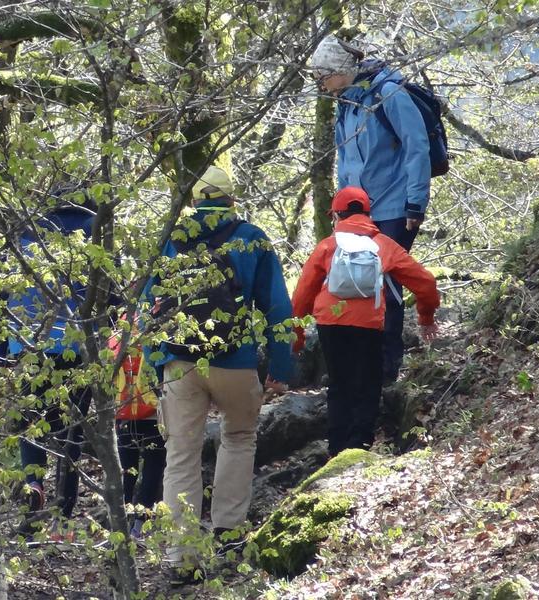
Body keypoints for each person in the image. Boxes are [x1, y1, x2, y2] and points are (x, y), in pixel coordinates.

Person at [144, 165, 292, 585]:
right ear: (231, 199)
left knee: (181, 454)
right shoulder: (251, 238)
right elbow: (277, 307)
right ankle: (228, 532)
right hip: (234, 359)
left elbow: (147, 307)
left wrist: (157, 364)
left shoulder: (170, 237)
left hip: (179, 362)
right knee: (239, 437)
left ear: (193, 201)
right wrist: (280, 367)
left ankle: (182, 556)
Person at [309, 35, 433, 383]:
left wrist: (415, 202)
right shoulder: (345, 103)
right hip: (358, 213)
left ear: (339, 70)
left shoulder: (389, 94)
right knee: (354, 282)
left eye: (322, 76)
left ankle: (386, 370)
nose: (321, 85)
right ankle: (360, 366)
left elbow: (417, 147)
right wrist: (341, 207)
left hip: (395, 206)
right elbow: (346, 159)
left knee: (388, 284)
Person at [292, 186, 439, 456]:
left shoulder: (327, 246)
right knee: (368, 383)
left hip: (330, 324)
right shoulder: (383, 244)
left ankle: (337, 450)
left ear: (337, 215)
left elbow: (302, 295)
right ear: (368, 214)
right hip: (369, 324)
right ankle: (359, 447)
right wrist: (426, 317)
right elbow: (426, 282)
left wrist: (297, 334)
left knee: (339, 384)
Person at [6, 191, 96, 540]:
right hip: (76, 345)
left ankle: (33, 486)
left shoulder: (27, 230)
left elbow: (2, 290)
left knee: (33, 424)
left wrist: (4, 348)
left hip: (28, 343)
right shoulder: (93, 228)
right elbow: (113, 291)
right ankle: (64, 509)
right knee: (73, 429)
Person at [109, 318, 166, 541]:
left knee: (126, 470)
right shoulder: (159, 323)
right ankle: (140, 524)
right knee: (153, 467)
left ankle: (120, 525)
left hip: (123, 411)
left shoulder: (118, 330)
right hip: (153, 409)